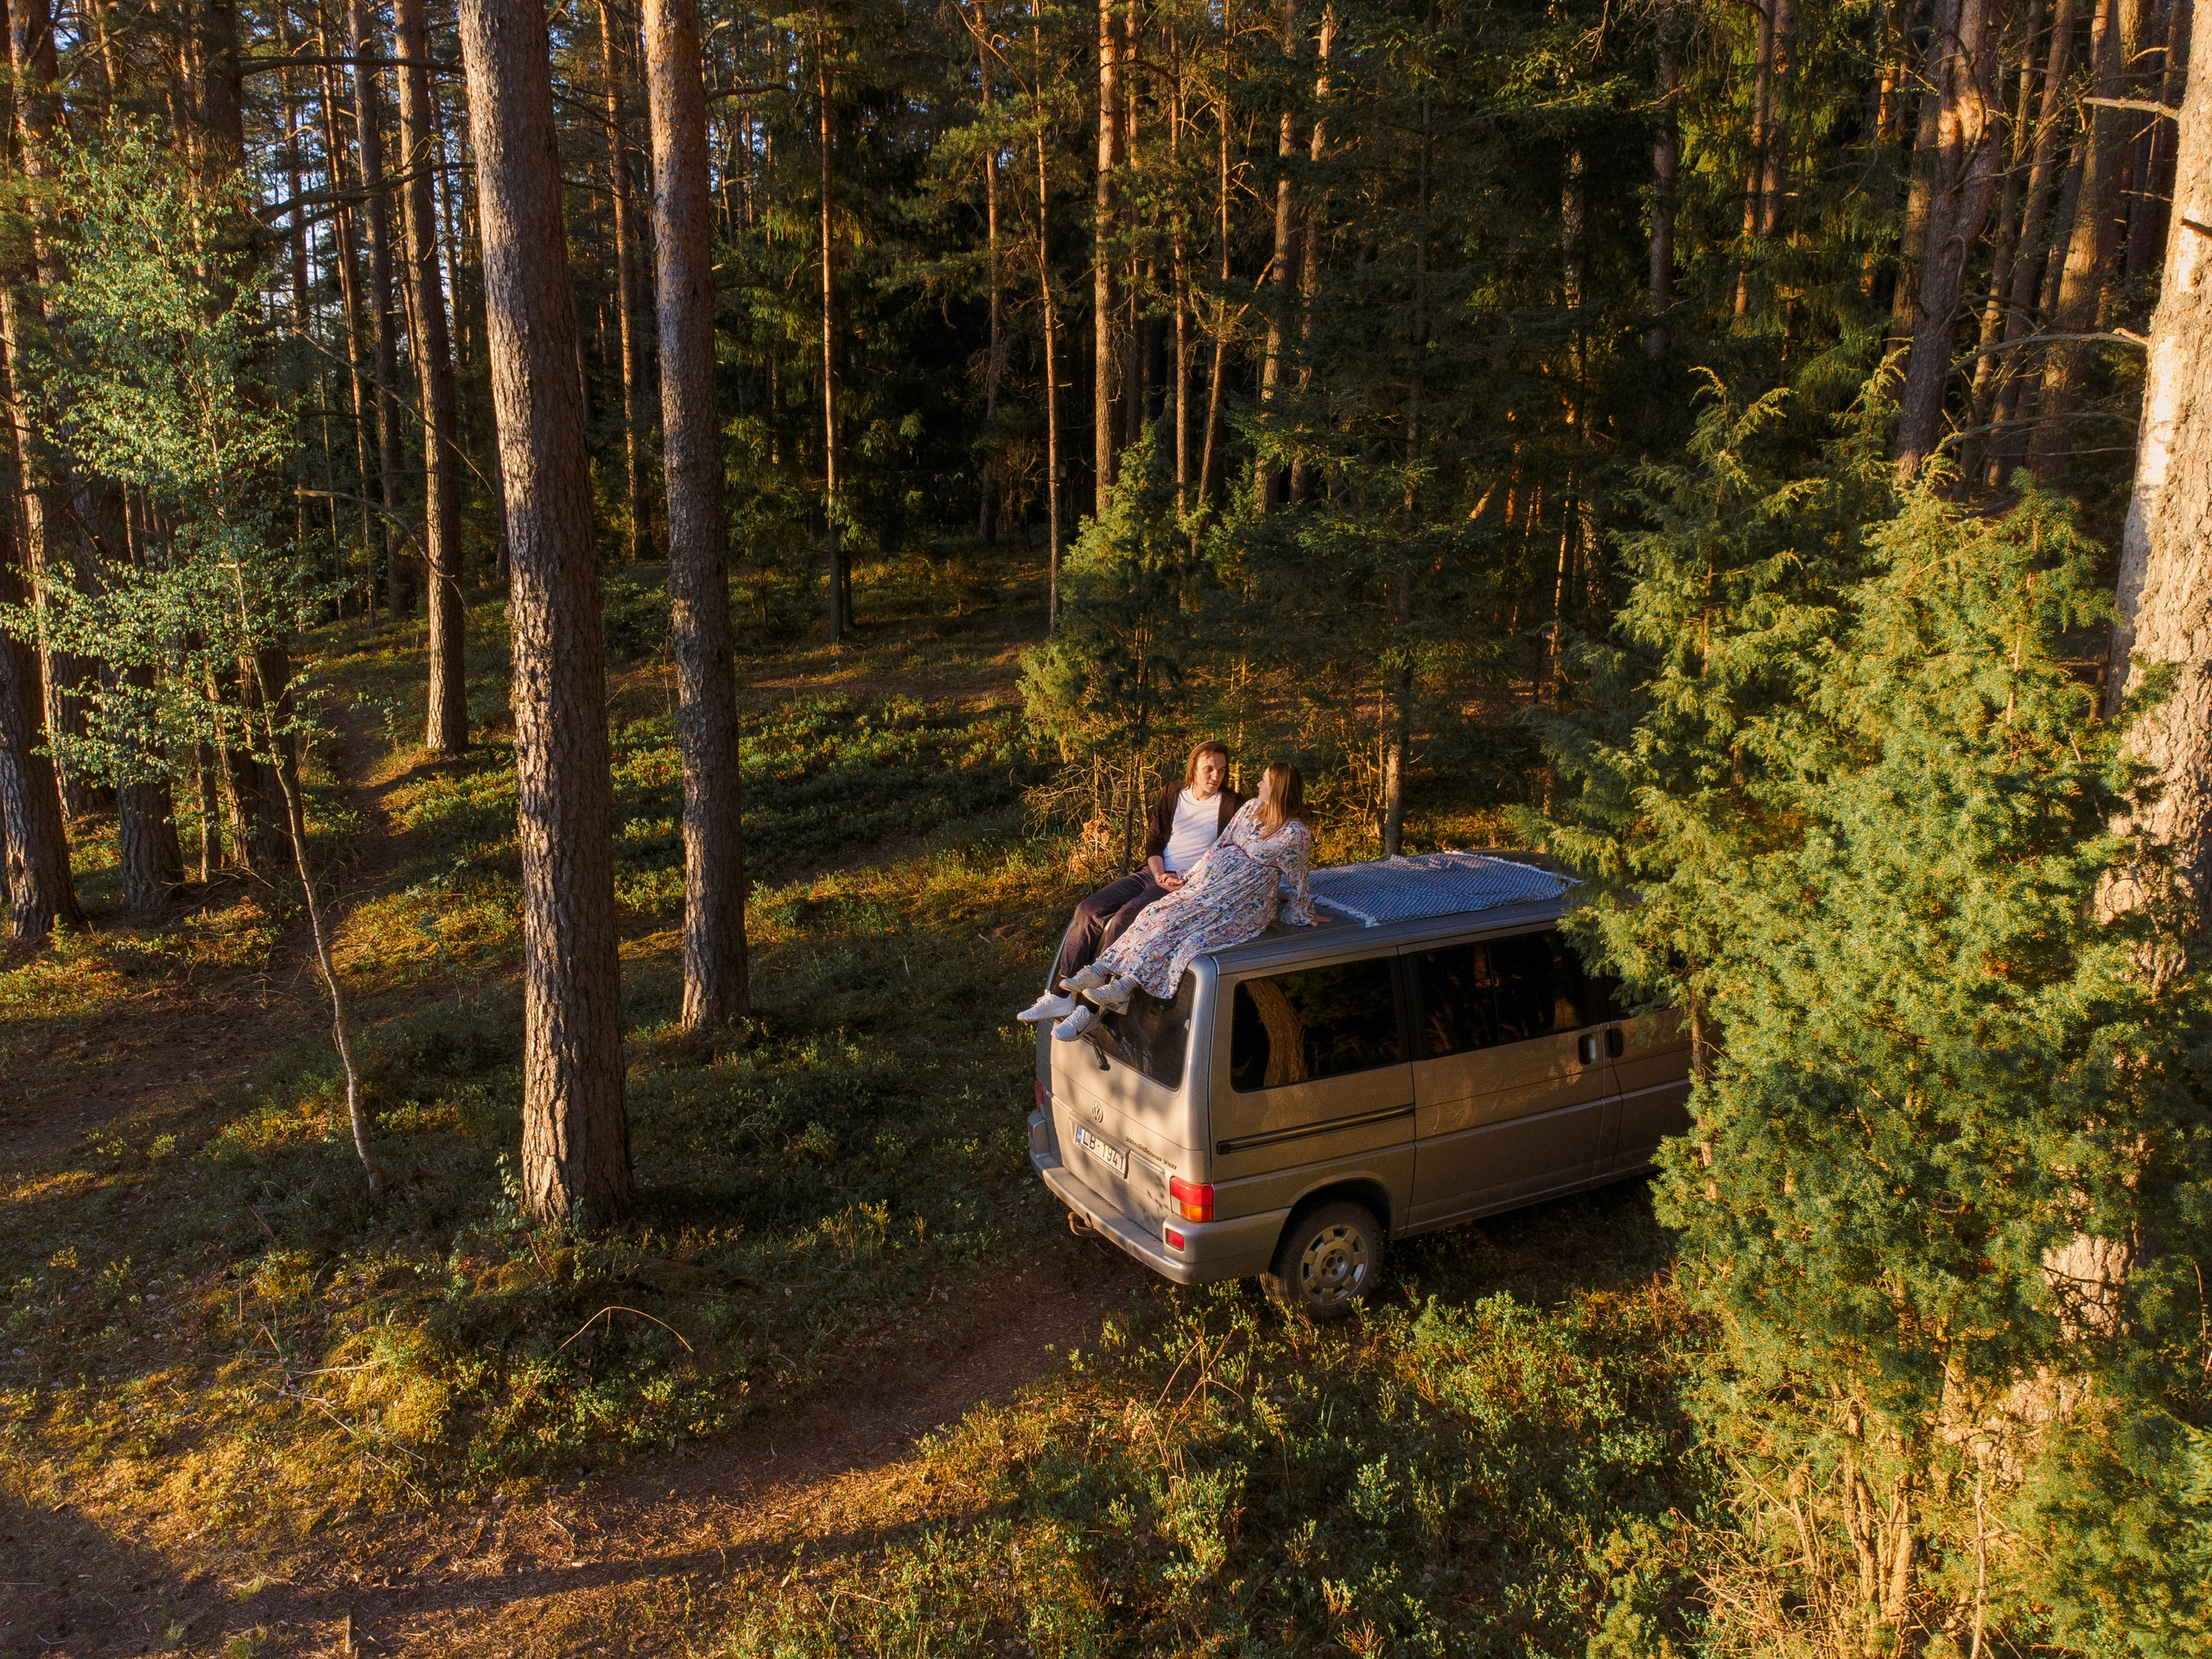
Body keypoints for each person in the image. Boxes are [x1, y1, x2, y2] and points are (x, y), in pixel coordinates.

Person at [1052, 761, 1317, 1040]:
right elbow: (1221, 845)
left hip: (1242, 902)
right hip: (1210, 886)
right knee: (1154, 912)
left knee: (1179, 928)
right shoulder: (1252, 809)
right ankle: (1101, 969)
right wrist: (1190, 876)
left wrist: (1302, 913)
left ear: (1279, 788)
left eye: (1264, 781)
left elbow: (1299, 879)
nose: (1259, 785)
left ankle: (1123, 987)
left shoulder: (1295, 834)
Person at [1016, 741, 1245, 1027]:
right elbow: (1155, 840)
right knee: (1088, 909)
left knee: (1126, 918)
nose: (1216, 777)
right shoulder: (1173, 793)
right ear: (1194, 769)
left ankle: (1088, 1010)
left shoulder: (1234, 805)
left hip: (1184, 882)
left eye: (1221, 771)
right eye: (1209, 769)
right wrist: (1158, 871)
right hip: (1155, 871)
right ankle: (1060, 995)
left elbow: (1241, 853)